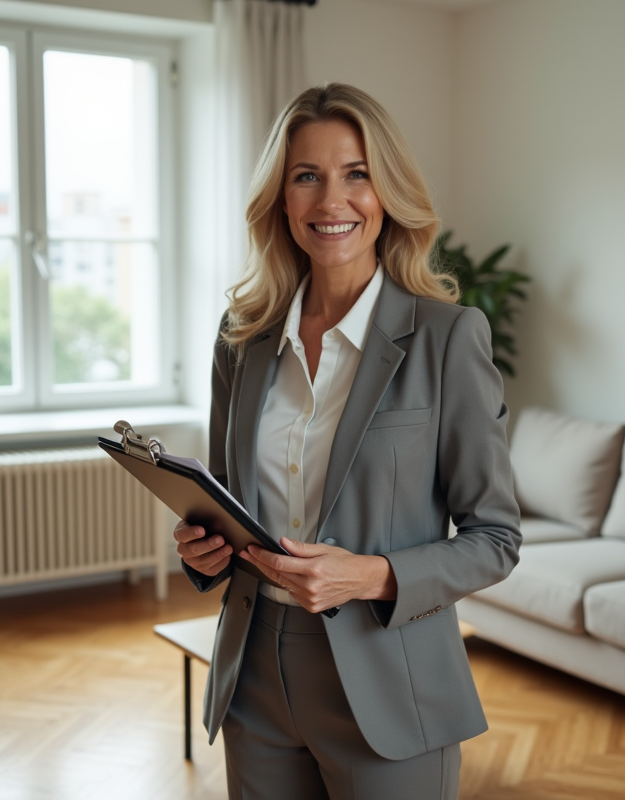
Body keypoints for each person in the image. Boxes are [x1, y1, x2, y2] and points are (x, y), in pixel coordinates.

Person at [173, 83, 521, 800]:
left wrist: (369, 575)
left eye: (356, 173)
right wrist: (203, 548)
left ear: (387, 191)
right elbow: (225, 499)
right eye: (307, 176)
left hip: (391, 682)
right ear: (281, 199)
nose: (332, 200)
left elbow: (495, 539)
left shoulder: (448, 339)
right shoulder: (241, 339)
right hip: (253, 679)